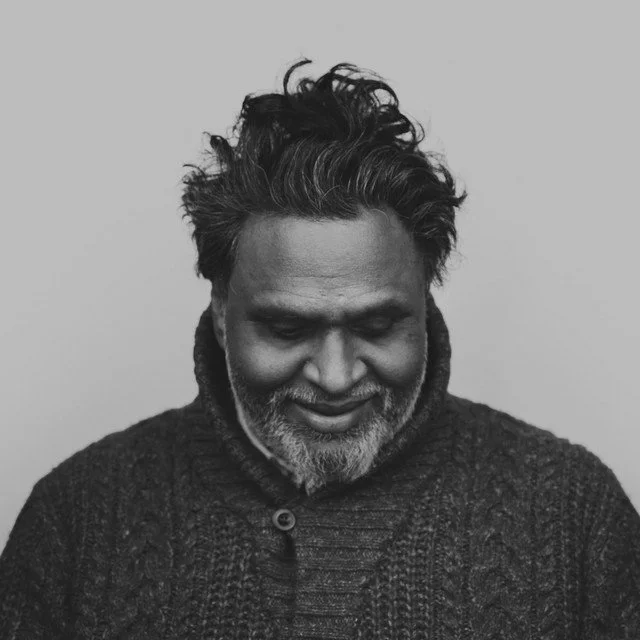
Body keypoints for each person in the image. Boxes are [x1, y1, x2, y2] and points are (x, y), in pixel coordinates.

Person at [1, 59, 638, 639]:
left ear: (425, 306)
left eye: (378, 326)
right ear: (221, 314)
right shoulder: (77, 518)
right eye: (286, 329)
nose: (335, 377)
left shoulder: (574, 514)